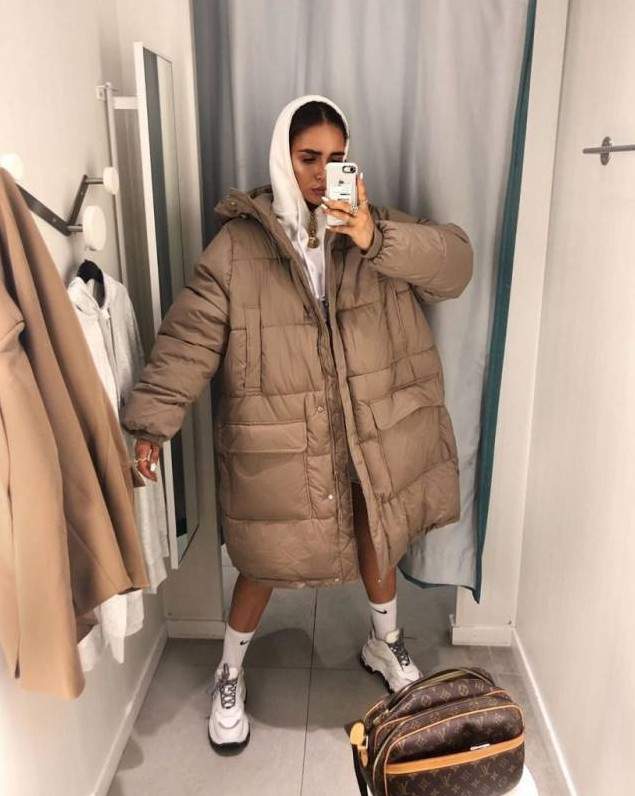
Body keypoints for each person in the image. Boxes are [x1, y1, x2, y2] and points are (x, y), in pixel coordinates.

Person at [120, 94, 473, 754]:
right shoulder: (237, 247)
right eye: (308, 157)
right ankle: (229, 671)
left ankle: (386, 642)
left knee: (376, 535)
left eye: (336, 159)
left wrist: (372, 237)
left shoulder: (374, 230)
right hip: (284, 434)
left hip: (370, 430)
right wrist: (151, 423)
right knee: (262, 560)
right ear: (283, 155)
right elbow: (190, 338)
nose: (320, 173)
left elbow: (455, 265)